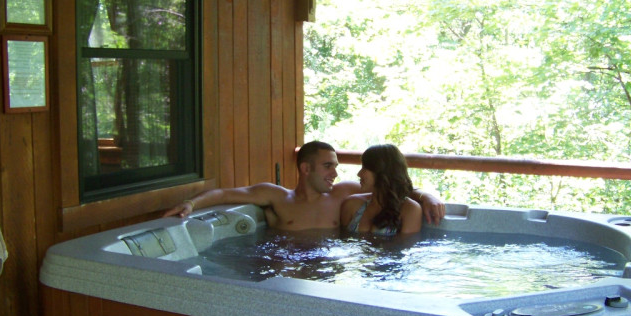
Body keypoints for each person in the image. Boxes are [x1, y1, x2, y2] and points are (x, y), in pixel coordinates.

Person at [163, 141, 444, 231]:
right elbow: (225, 193)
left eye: (335, 165)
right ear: (305, 168)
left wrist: (427, 195)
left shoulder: (345, 194)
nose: (336, 172)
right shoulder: (276, 196)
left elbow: (394, 188)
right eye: (328, 166)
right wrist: (191, 204)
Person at [340, 144, 422, 235]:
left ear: (381, 171)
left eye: (365, 168)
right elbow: (343, 241)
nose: (359, 174)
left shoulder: (410, 209)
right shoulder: (351, 204)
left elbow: (405, 247)